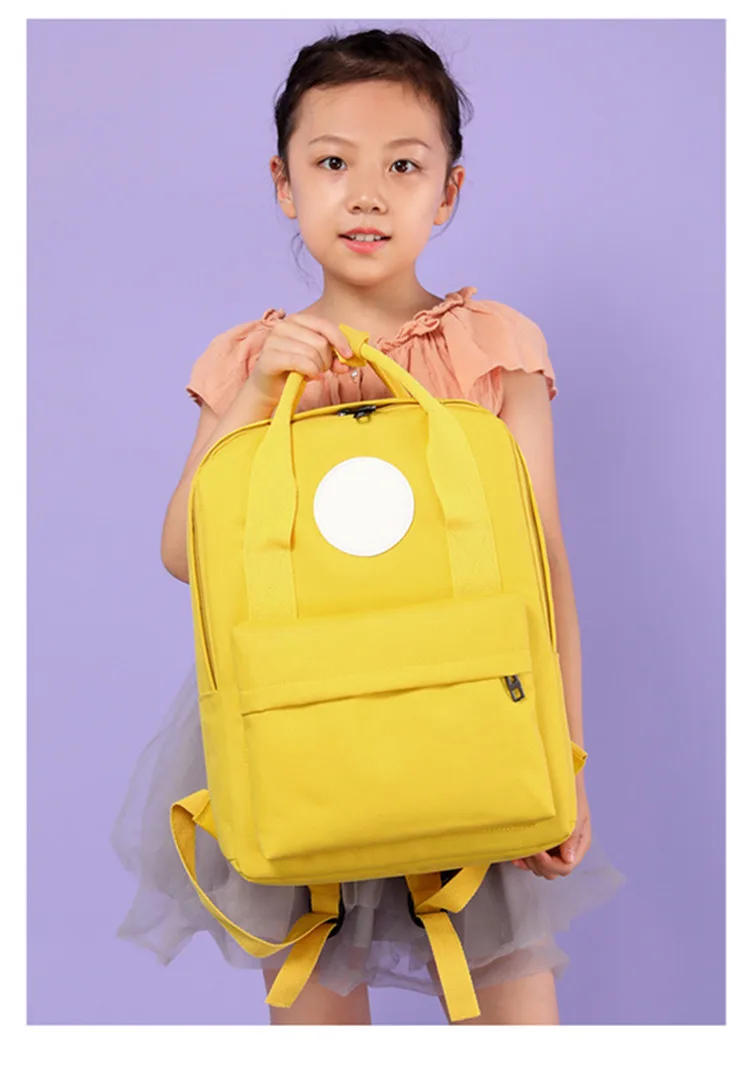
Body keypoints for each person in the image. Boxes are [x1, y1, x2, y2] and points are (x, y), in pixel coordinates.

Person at [110, 27, 626, 1026]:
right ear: (284, 183)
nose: (368, 195)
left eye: (404, 166)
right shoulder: (251, 360)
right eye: (332, 163)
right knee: (318, 1014)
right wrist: (254, 400)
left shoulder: (492, 348)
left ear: (449, 191)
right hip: (305, 732)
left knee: (518, 1013)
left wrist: (561, 755)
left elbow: (544, 561)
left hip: (470, 713)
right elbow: (183, 554)